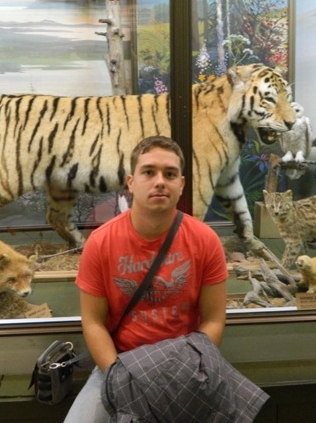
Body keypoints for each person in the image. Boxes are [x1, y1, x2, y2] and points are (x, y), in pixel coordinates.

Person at [63, 135, 228, 423]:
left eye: (170, 174)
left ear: (181, 184)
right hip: (119, 363)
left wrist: (188, 371)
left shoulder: (205, 240)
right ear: (131, 182)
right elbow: (93, 322)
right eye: (149, 172)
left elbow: (213, 319)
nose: (160, 181)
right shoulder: (101, 242)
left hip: (185, 367)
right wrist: (119, 378)